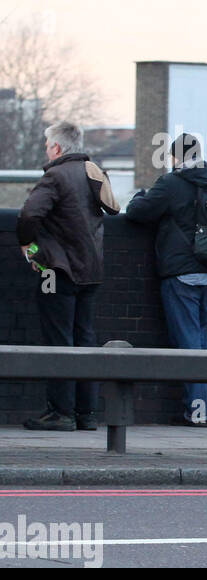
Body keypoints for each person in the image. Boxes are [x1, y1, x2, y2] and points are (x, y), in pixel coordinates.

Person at [123, 133, 207, 428]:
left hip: (182, 273)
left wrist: (138, 195)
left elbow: (139, 212)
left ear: (175, 157)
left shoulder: (173, 183)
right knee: (201, 340)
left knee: (187, 343)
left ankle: (196, 413)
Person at [18, 121, 118, 431]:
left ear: (57, 148)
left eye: (48, 145)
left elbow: (28, 216)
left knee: (58, 341)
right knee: (84, 340)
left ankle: (61, 412)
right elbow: (113, 209)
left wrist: (31, 250)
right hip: (91, 270)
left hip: (57, 271)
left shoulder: (56, 175)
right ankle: (86, 413)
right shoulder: (93, 171)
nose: (46, 150)